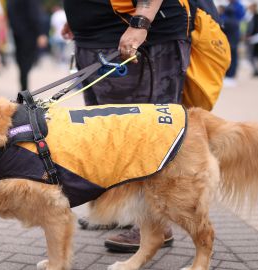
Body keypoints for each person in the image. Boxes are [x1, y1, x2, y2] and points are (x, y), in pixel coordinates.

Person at [62, 0, 193, 252]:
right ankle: (120, 210)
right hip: (97, 38)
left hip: (142, 37)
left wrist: (141, 21)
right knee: (108, 136)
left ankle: (156, 224)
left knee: (149, 137)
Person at [7, 0, 47, 91]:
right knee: (27, 63)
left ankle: (24, 88)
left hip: (17, 33)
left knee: (22, 63)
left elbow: (9, 13)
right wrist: (41, 33)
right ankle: (24, 89)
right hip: (29, 34)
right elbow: (35, 14)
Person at [221, 0, 245, 87]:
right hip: (233, 39)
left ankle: (230, 76)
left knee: (231, 57)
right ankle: (230, 75)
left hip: (230, 40)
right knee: (233, 57)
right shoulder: (235, 20)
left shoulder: (226, 20)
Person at [246, 2, 258, 77]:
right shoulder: (254, 16)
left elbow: (255, 28)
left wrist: (249, 35)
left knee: (256, 55)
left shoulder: (256, 16)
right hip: (257, 37)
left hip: (256, 38)